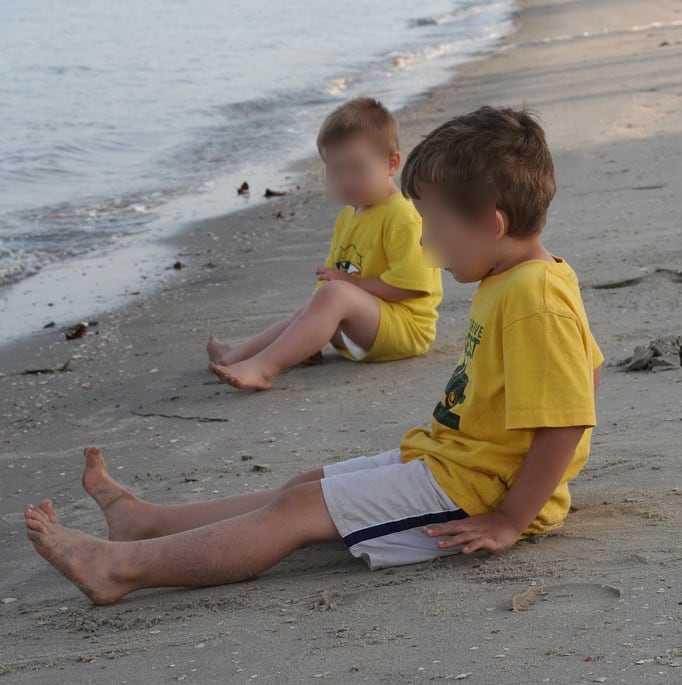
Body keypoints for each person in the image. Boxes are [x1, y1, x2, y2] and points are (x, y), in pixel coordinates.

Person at [25, 106, 603, 606]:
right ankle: (144, 525)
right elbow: (589, 371)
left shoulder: (534, 298)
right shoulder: (518, 279)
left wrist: (510, 517)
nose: (425, 243)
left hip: (475, 495)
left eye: (433, 225)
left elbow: (567, 417)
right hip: (458, 464)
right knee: (302, 487)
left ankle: (118, 570)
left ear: (491, 224)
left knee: (296, 513)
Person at [207, 97, 442, 390]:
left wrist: (350, 286)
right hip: (365, 324)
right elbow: (334, 283)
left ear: (391, 163)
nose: (346, 180)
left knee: (335, 295)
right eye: (335, 171)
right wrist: (312, 332)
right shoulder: (348, 216)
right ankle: (238, 353)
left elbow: (412, 285)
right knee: (313, 305)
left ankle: (265, 368)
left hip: (405, 329)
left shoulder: (401, 215)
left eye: (357, 169)